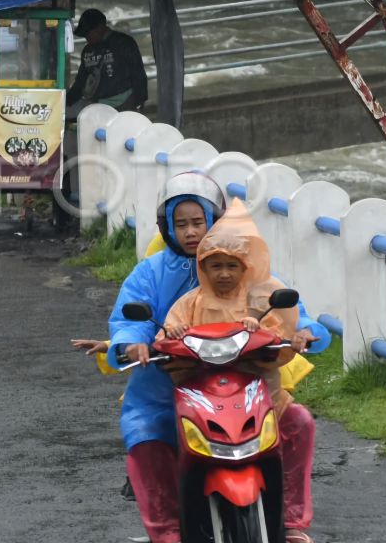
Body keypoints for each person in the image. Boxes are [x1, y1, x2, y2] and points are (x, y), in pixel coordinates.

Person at [71, 172, 327, 543]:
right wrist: (131, 344)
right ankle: (168, 531)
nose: (191, 232)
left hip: (246, 380)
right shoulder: (151, 272)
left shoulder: (246, 263)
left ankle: (290, 522)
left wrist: (304, 330)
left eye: (198, 222)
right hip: (168, 381)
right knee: (147, 439)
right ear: (166, 226)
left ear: (213, 219)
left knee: (298, 423)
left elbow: (286, 305)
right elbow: (130, 319)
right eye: (180, 224)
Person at [160, 199, 300, 418]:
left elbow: (278, 335)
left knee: (299, 420)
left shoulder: (259, 300)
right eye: (216, 266)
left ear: (245, 267)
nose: (224, 274)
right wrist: (174, 332)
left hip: (253, 379)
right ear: (203, 268)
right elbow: (167, 331)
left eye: (232, 266)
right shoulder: (191, 302)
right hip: (202, 380)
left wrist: (260, 330)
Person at [66, 8, 147, 115]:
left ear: (100, 28)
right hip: (99, 107)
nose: (86, 38)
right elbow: (81, 81)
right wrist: (65, 101)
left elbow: (139, 74)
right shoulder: (87, 51)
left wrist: (140, 103)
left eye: (88, 33)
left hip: (126, 104)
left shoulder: (124, 43)